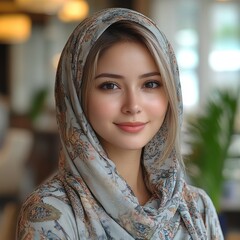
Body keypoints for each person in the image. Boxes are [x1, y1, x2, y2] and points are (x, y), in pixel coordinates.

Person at [16, 8, 224, 239]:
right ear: (75, 96)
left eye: (151, 84)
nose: (133, 105)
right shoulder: (51, 214)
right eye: (110, 86)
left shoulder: (197, 207)